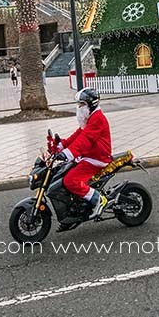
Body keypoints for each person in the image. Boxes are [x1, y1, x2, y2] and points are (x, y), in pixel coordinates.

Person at [50, 88, 112, 219]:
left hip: (97, 158)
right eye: (78, 104)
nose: (79, 108)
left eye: (82, 104)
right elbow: (79, 135)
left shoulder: (97, 119)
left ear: (91, 104)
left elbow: (85, 140)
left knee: (71, 180)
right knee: (65, 171)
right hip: (88, 156)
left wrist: (68, 153)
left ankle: (98, 199)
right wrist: (62, 144)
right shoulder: (90, 118)